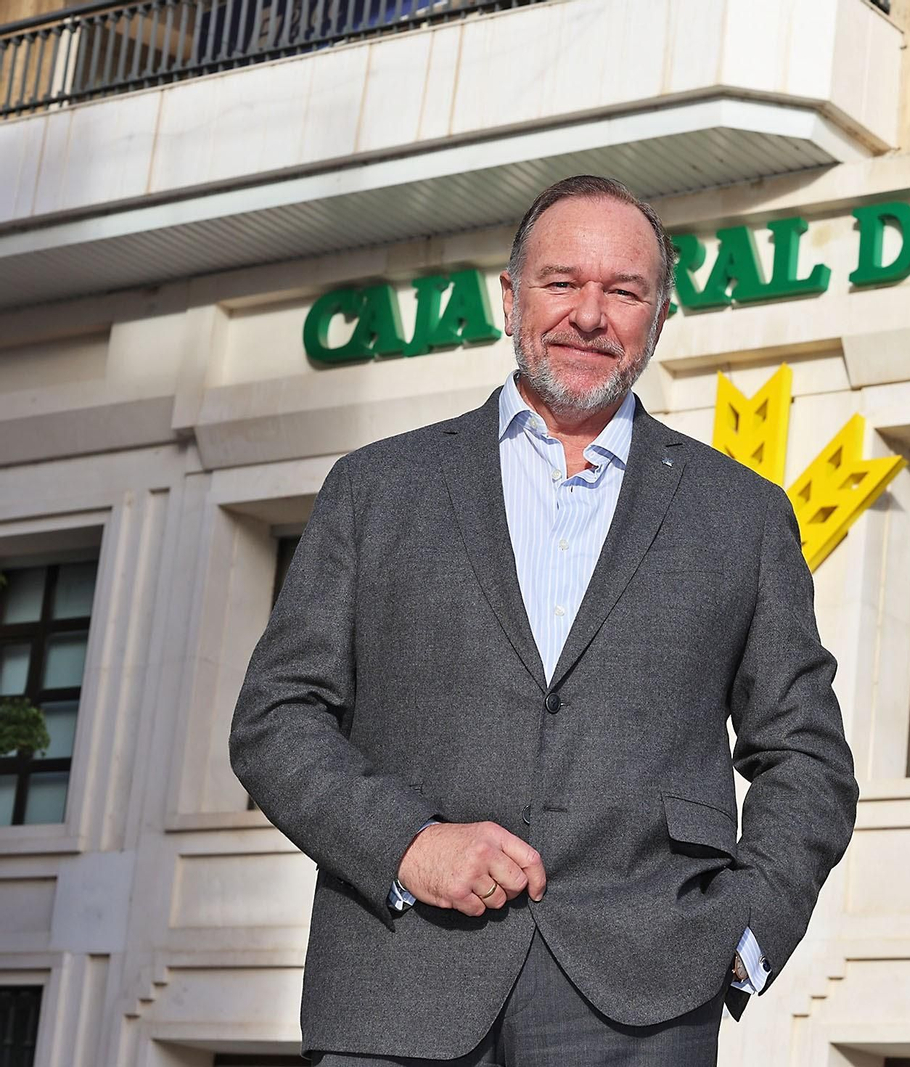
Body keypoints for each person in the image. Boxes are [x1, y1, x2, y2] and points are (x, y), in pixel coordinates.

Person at [229, 174, 858, 1066]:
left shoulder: (741, 515)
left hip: (643, 1001)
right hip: (400, 984)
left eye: (624, 290)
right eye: (562, 283)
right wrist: (406, 844)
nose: (590, 315)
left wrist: (745, 931)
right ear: (511, 296)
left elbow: (806, 758)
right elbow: (275, 718)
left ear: (660, 316)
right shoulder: (375, 490)